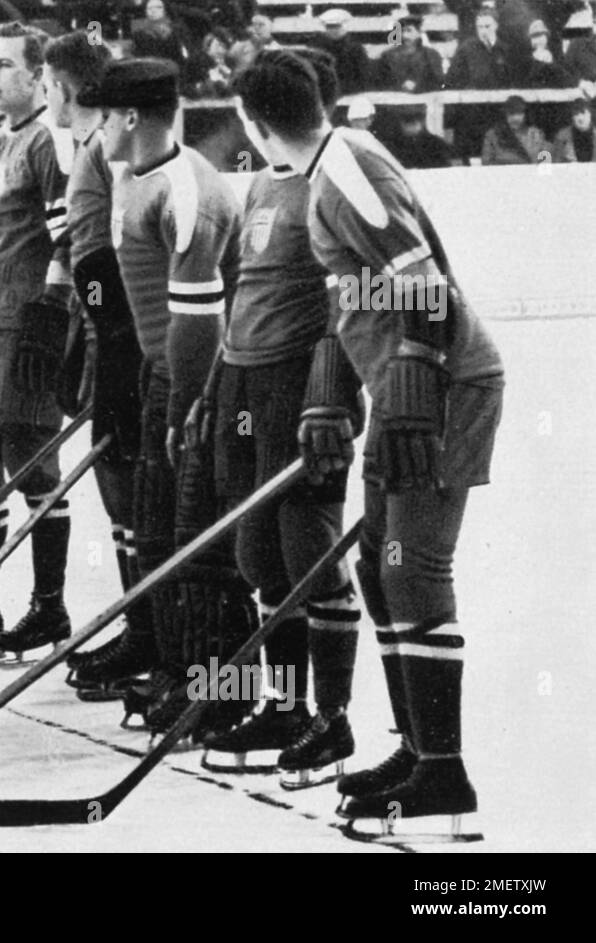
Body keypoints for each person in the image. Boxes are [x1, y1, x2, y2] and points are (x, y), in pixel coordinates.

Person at [234, 48, 504, 838]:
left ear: (254, 124)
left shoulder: (343, 168)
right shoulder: (330, 164)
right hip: (401, 388)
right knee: (380, 571)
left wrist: (416, 385)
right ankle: (418, 752)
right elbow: (355, 296)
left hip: (443, 388)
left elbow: (418, 274)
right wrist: (333, 391)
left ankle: (446, 776)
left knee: (412, 568)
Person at [198, 47, 362, 784]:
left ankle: (333, 719)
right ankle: (284, 705)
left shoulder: (331, 183)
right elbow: (240, 292)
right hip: (244, 383)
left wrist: (331, 390)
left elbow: (353, 299)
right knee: (257, 554)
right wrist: (211, 388)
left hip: (303, 388)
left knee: (310, 555)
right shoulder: (260, 182)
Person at [71, 58, 245, 732]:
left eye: (106, 115)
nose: (98, 126)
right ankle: (176, 672)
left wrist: (183, 412)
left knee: (197, 545)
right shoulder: (131, 177)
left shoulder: (184, 188)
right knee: (154, 538)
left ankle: (219, 694)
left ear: (133, 118)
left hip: (198, 381)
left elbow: (199, 325)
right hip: (157, 372)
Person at [0, 20, 78, 658]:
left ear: (37, 75)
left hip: (27, 326)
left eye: (4, 66)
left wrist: (51, 316)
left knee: (32, 464)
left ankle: (49, 607)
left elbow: (72, 238)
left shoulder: (51, 142)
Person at [39, 31, 149, 687]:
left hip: (121, 336)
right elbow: (79, 248)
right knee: (115, 495)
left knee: (131, 491)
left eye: (48, 84)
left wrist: (110, 336)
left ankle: (151, 636)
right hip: (97, 330)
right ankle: (140, 627)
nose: (45, 94)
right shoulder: (84, 147)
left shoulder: (108, 150)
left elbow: (114, 257)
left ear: (68, 87)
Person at [446, 7, 512, 162]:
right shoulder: (466, 49)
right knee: (472, 157)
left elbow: (510, 80)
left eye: (487, 26)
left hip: (497, 113)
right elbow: (452, 79)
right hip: (472, 113)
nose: (483, 31)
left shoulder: (505, 49)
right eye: (480, 27)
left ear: (496, 26)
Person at [376, 14, 444, 93]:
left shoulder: (431, 55)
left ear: (419, 33)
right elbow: (381, 83)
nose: (404, 36)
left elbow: (438, 82)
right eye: (402, 31)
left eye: (409, 30)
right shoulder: (388, 56)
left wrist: (418, 86)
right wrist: (400, 86)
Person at [310, 9, 369, 97]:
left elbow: (363, 76)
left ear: (344, 26)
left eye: (337, 26)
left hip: (351, 93)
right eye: (329, 27)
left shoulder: (356, 49)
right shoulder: (318, 48)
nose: (333, 30)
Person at [481, 94, 552, 164]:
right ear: (505, 114)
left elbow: (545, 165)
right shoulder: (493, 135)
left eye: (519, 113)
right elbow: (486, 163)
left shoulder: (536, 134)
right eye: (511, 113)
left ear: (525, 115)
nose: (515, 118)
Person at [382, 106, 455, 169]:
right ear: (401, 122)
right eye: (407, 121)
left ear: (422, 121)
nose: (410, 126)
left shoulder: (437, 144)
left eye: (413, 120)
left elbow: (444, 169)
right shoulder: (393, 145)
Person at [553, 97, 595, 162]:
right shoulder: (562, 137)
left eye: (583, 113)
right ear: (572, 117)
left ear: (590, 114)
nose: (580, 118)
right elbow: (556, 162)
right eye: (576, 114)